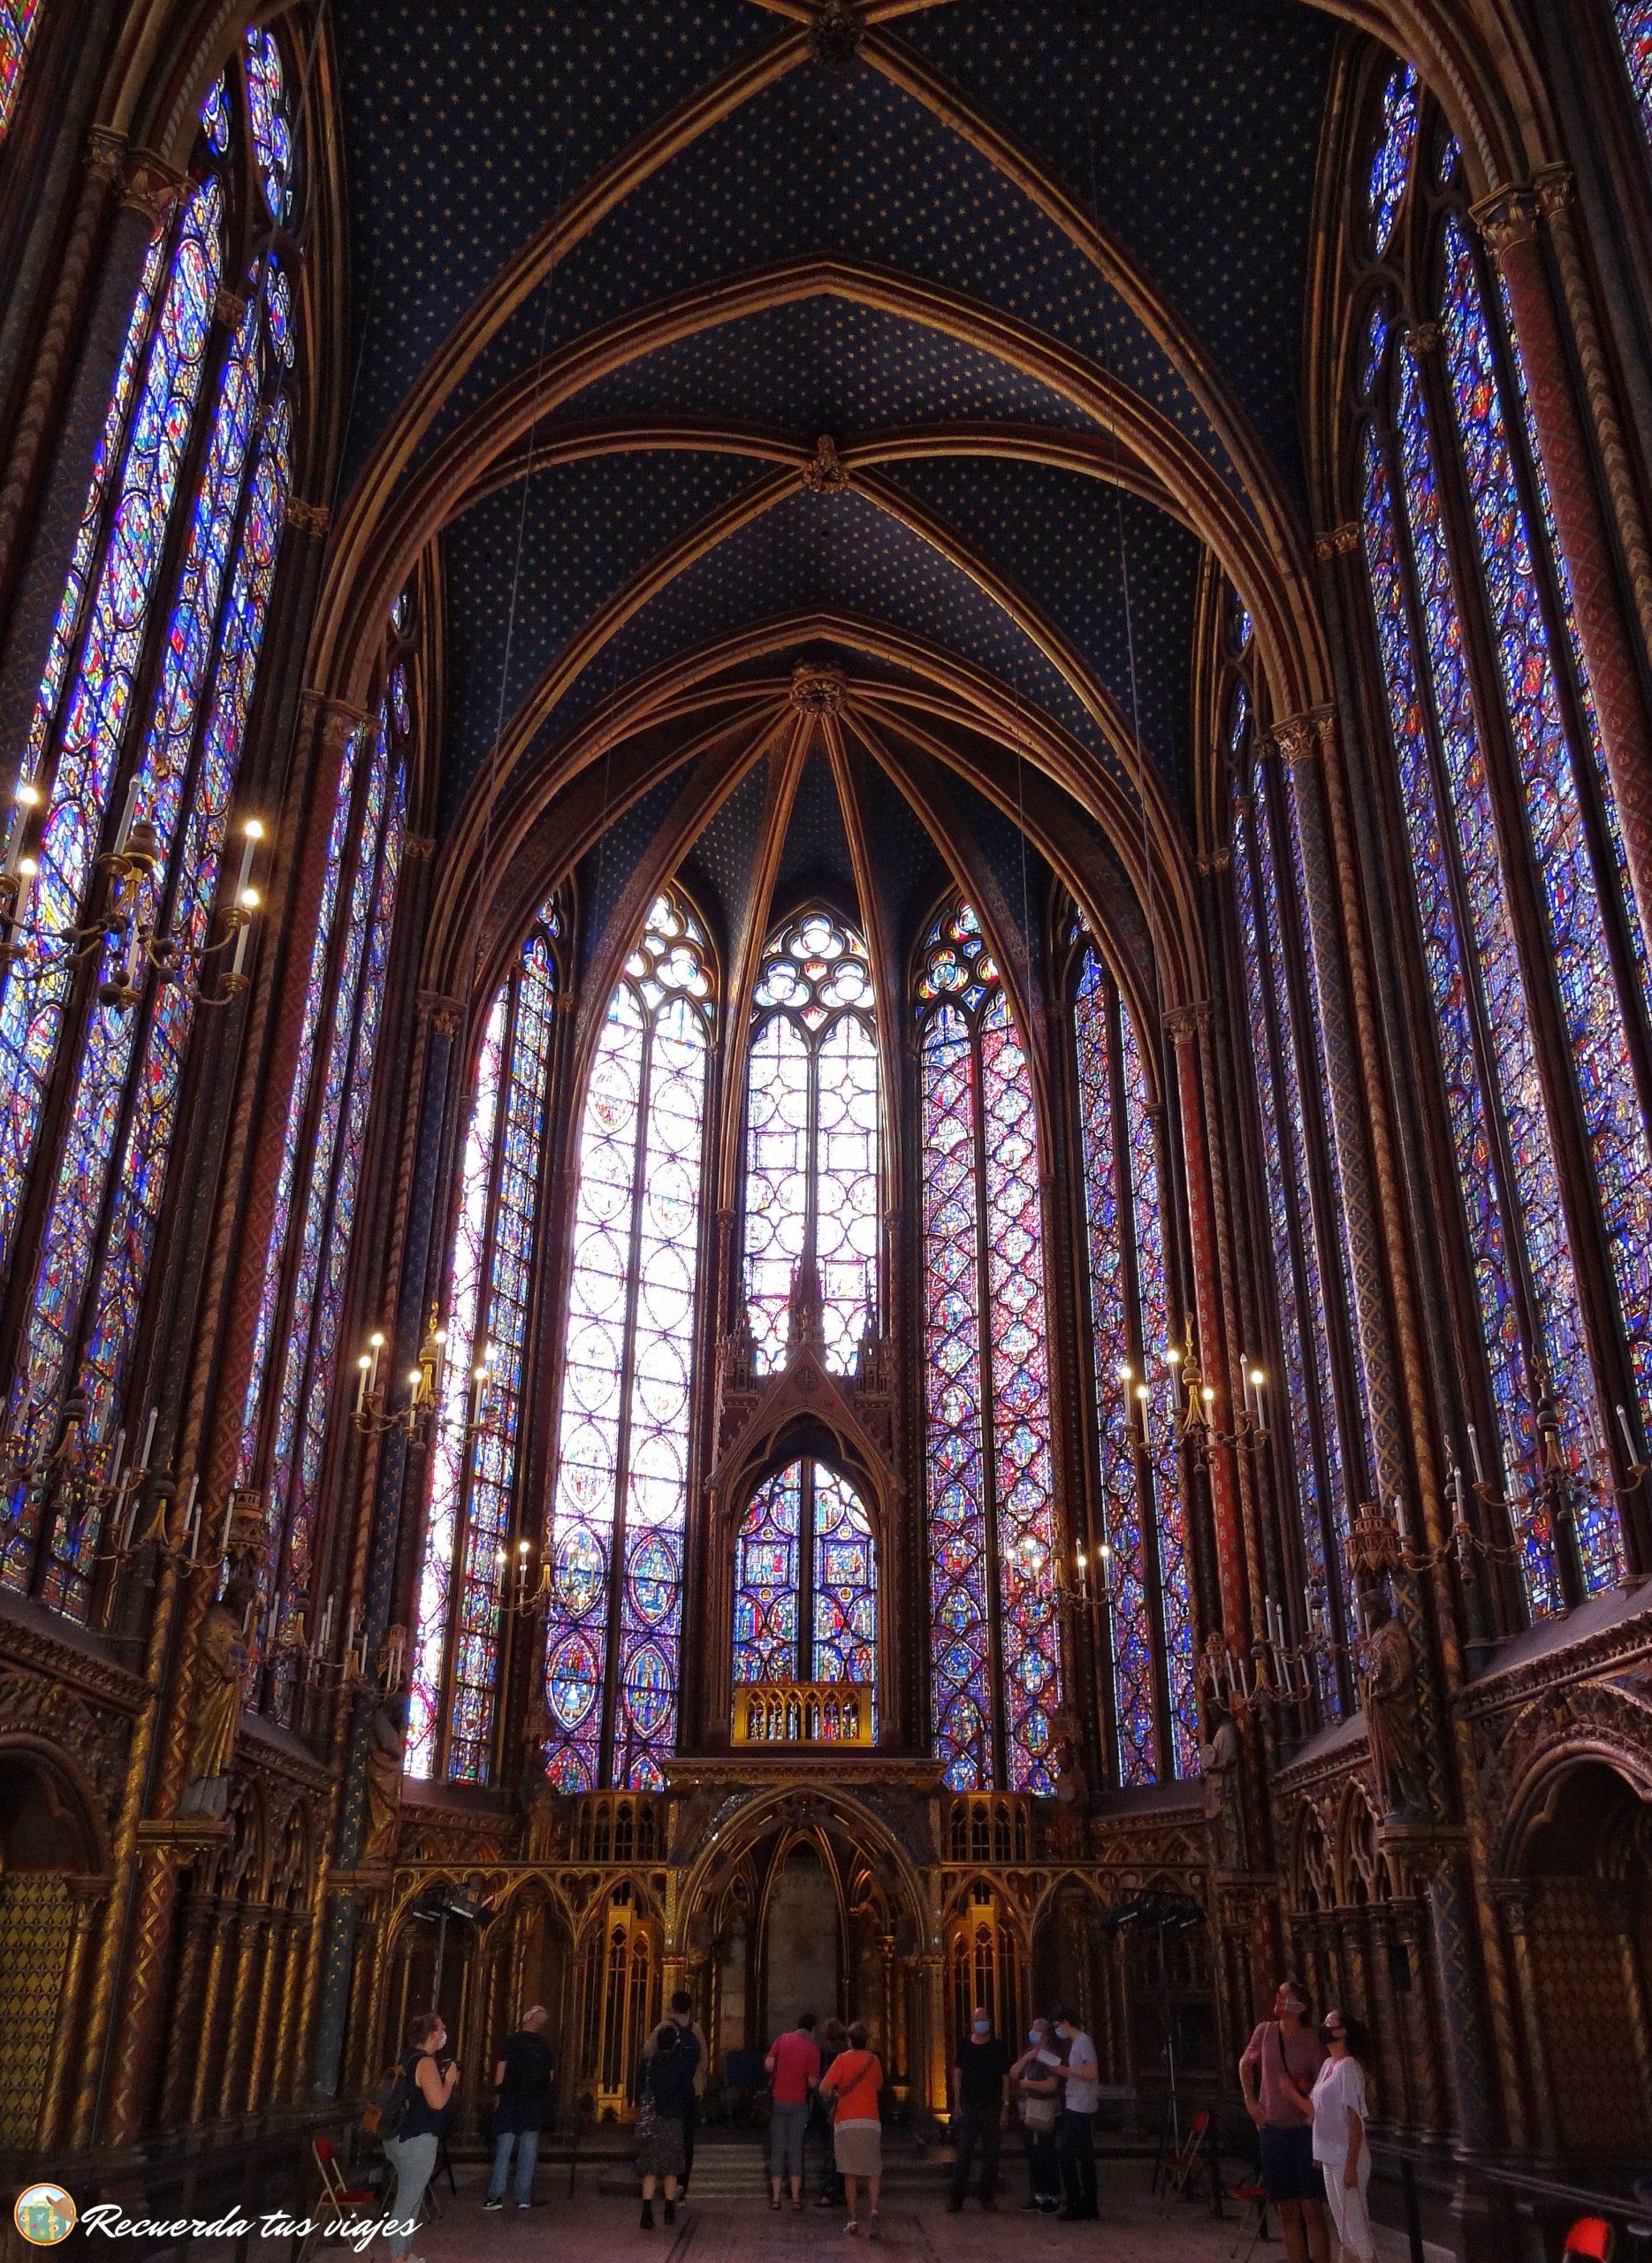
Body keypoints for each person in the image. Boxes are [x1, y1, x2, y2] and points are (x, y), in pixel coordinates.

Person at [1239, 1981, 1329, 2263]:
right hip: (1273, 2130)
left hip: (1303, 2132)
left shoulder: (1312, 2040)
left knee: (1311, 2206)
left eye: (1285, 1995)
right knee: (1286, 2208)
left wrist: (1298, 2092)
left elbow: (1322, 2084)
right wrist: (1251, 2101)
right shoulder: (1265, 2032)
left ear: (1299, 2006)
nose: (1278, 1998)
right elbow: (1245, 2064)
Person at [383, 2011, 456, 2261]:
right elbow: (437, 2102)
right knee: (407, 2201)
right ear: (433, 2033)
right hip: (418, 2140)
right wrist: (450, 2081)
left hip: (400, 2138)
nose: (445, 2034)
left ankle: (404, 2253)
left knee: (412, 2199)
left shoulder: (408, 2057)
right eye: (442, 2029)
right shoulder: (425, 2063)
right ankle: (396, 2257)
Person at [1312, 2011, 1378, 2263]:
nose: (1325, 2028)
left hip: (1346, 2157)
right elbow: (1320, 2111)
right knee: (1343, 2227)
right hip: (1330, 2156)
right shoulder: (1328, 2065)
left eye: (1330, 2024)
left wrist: (1350, 2165)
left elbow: (1354, 2121)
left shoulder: (1348, 2068)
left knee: (1356, 2226)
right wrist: (1318, 2149)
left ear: (1343, 2032)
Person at [483, 2004, 553, 2212]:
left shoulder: (511, 2042)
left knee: (504, 2150)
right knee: (529, 2151)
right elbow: (549, 2077)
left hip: (510, 2102)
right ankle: (523, 2197)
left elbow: (500, 2071)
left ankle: (496, 2196)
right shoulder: (543, 2045)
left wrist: (498, 2095)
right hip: (532, 2104)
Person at [818, 2020, 884, 2240]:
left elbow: (824, 2088)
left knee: (850, 2173)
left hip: (846, 2121)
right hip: (870, 2121)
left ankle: (853, 2218)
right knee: (873, 2170)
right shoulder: (874, 2061)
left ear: (849, 2040)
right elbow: (878, 2085)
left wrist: (836, 2096)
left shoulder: (842, 2060)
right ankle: (874, 2210)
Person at [643, 1990, 707, 2196]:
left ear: (672, 2005)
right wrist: (699, 2088)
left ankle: (662, 2182)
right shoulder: (696, 2029)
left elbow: (647, 2052)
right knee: (687, 2140)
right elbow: (704, 2061)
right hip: (690, 2092)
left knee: (663, 2137)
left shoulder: (664, 2027)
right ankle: (682, 2186)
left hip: (666, 2094)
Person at [949, 2003, 1009, 2211]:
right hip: (970, 2106)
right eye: (978, 2020)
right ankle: (957, 2199)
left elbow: (1005, 2077)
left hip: (992, 2106)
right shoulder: (965, 2045)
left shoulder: (997, 2047)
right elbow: (958, 2074)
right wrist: (957, 2103)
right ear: (972, 2023)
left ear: (989, 2022)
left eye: (984, 2019)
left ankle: (987, 2197)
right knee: (964, 2153)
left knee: (992, 2154)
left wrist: (1005, 2106)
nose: (981, 2023)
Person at [636, 2021, 696, 2229]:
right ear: (675, 2042)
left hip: (653, 2120)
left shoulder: (649, 2065)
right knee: (671, 2168)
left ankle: (646, 2213)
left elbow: (640, 2092)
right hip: (672, 2119)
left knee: (651, 2168)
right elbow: (687, 2092)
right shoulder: (680, 2064)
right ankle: (669, 2210)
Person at [1047, 2007, 1100, 2221]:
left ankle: (1076, 2202)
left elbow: (1092, 2072)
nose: (1058, 2031)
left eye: (1058, 2026)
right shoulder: (1077, 2044)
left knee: (1067, 2155)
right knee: (1085, 2157)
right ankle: (1089, 2204)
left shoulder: (1083, 2042)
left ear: (1066, 2022)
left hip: (1081, 2106)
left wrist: (1066, 2071)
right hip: (1078, 2103)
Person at [765, 2011, 821, 2210]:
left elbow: (769, 2064)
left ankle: (776, 2198)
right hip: (798, 2102)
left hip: (779, 2099)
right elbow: (813, 2083)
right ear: (813, 2028)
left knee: (778, 2148)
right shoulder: (812, 2048)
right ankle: (796, 2198)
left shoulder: (783, 2038)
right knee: (796, 2149)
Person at [1009, 2016, 1062, 2213]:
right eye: (1032, 2030)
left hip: (1046, 2110)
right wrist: (1027, 2058)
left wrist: (1030, 2084)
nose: (1033, 2034)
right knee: (1032, 2153)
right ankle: (1037, 2194)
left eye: (1037, 2031)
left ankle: (1051, 2196)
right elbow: (1014, 2073)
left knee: (1047, 2153)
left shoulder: (1051, 2057)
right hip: (1029, 2111)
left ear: (1046, 2036)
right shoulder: (1029, 2055)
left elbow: (1051, 2085)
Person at [813, 2017, 848, 2208]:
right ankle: (840, 2189)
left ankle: (832, 2190)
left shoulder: (833, 2054)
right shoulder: (844, 2052)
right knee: (838, 2150)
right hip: (843, 2108)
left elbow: (825, 2084)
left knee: (832, 2150)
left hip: (833, 2107)